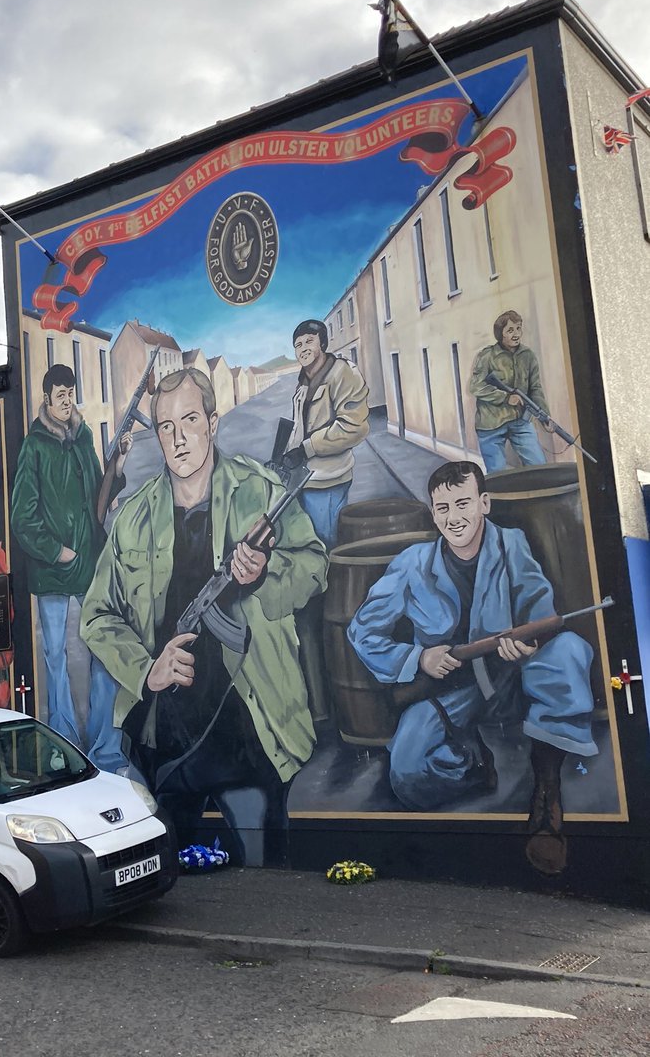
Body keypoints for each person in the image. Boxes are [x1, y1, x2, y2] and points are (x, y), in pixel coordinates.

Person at [80, 367, 328, 866]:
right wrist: (146, 668)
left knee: (267, 873)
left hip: (254, 711)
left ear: (212, 423)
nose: (178, 438)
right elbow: (96, 614)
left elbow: (314, 567)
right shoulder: (134, 517)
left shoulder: (260, 492)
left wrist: (263, 572)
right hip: (164, 724)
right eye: (166, 427)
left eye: (190, 419)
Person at [347, 460, 597, 876]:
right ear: (432, 513)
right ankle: (476, 769)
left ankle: (547, 790)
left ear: (484, 503)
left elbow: (539, 607)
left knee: (568, 650)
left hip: (512, 676)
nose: (454, 517)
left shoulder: (511, 545)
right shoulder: (413, 563)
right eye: (442, 508)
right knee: (407, 775)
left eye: (463, 503)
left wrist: (527, 641)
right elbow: (362, 630)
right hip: (451, 690)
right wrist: (417, 658)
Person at [10, 363, 129, 773]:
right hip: (52, 571)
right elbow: (22, 517)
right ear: (46, 398)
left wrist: (118, 465)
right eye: (59, 393)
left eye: (70, 392)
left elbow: (99, 495)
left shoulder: (83, 439)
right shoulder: (35, 446)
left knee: (102, 648)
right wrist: (55, 551)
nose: (66, 400)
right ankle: (60, 746)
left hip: (88, 564)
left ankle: (103, 748)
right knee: (55, 657)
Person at [281, 319, 369, 725]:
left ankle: (337, 691)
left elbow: (354, 427)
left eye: (308, 341)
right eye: (297, 342)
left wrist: (308, 448)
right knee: (310, 577)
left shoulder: (342, 375)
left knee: (328, 583)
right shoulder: (302, 382)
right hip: (304, 486)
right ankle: (319, 696)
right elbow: (298, 429)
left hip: (330, 484)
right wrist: (286, 455)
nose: (302, 348)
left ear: (323, 343)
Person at [469, 310, 551, 472]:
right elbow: (476, 387)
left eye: (518, 328)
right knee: (497, 475)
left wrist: (544, 416)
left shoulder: (528, 356)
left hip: (520, 421)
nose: (516, 334)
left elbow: (535, 388)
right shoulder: (487, 356)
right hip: (490, 423)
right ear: (501, 334)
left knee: (539, 467)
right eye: (510, 330)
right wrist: (505, 398)